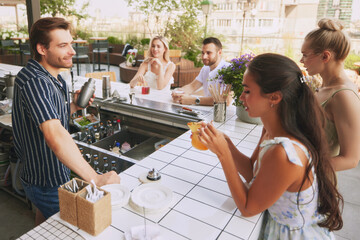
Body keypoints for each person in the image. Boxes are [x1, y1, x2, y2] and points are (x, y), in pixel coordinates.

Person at [198, 53, 343, 239]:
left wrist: (223, 154)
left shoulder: (285, 153)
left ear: (274, 97)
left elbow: (248, 208)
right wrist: (225, 142)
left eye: (247, 91)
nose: (241, 97)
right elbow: (253, 171)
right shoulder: (270, 130)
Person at [12, 17, 120, 225]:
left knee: (47, 222)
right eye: (63, 45)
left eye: (70, 43)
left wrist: (75, 107)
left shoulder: (57, 78)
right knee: (75, 226)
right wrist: (95, 178)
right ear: (42, 49)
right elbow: (54, 135)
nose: (72, 51)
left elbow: (52, 115)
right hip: (44, 180)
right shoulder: (34, 80)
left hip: (57, 172)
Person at [300, 18, 360, 171]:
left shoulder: (344, 96)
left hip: (315, 185)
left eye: (305, 55)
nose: (301, 60)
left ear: (325, 56)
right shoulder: (324, 85)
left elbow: (350, 159)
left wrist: (300, 170)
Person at [171, 37, 231, 106]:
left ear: (219, 52)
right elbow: (192, 86)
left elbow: (226, 100)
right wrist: (178, 92)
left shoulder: (229, 69)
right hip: (207, 110)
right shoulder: (205, 68)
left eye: (208, 53)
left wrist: (194, 100)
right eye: (203, 53)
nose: (204, 57)